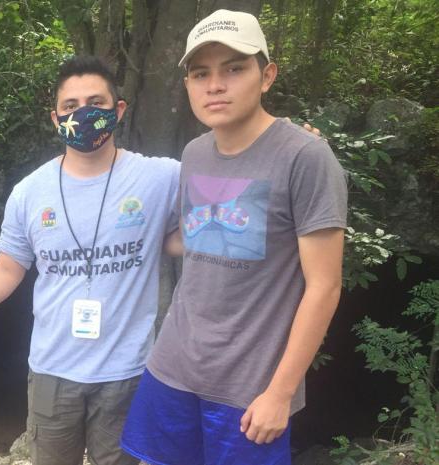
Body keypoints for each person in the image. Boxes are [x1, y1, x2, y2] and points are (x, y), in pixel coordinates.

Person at [120, 10, 347, 465]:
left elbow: (324, 286)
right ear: (187, 84)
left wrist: (280, 393)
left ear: (266, 76)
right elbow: (200, 239)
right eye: (201, 74)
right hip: (173, 367)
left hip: (249, 385)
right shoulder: (195, 152)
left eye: (234, 69)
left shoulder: (305, 157)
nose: (215, 85)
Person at [0, 56, 181, 465]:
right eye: (70, 106)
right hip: (52, 369)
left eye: (96, 102)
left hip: (127, 372)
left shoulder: (161, 178)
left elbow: (226, 207)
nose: (82, 113)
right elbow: (9, 267)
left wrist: (285, 148)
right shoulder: (30, 192)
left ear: (118, 110)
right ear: (55, 117)